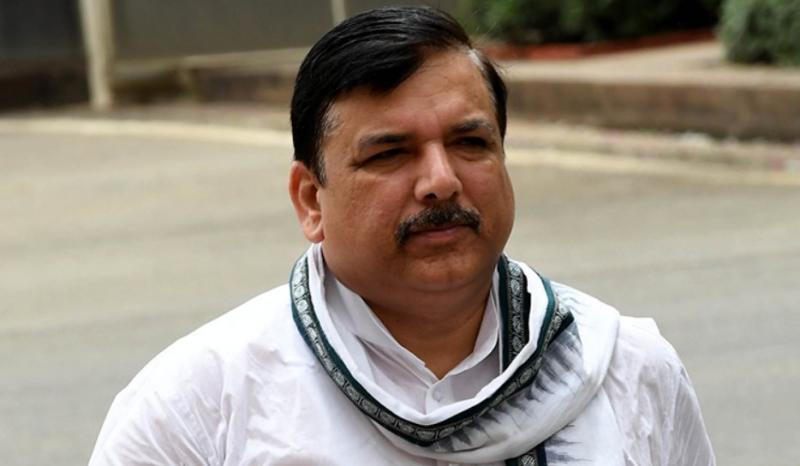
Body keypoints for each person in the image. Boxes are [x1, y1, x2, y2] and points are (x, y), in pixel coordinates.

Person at [89, 6, 715, 465]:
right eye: (389, 154)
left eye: (470, 143)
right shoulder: (197, 405)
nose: (441, 181)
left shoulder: (626, 368)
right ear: (311, 199)